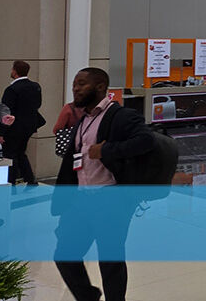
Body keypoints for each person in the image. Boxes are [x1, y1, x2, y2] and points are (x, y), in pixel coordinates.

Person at [53, 67, 154, 301]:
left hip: (111, 199)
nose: (75, 88)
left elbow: (146, 140)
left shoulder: (121, 116)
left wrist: (107, 150)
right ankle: (88, 296)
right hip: (80, 200)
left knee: (110, 259)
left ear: (100, 87)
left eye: (81, 84)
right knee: (65, 255)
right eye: (74, 84)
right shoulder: (83, 119)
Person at [1, 60, 46, 185]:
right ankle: (29, 179)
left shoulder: (12, 89)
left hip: (13, 127)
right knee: (21, 152)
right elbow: (38, 104)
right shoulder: (35, 86)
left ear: (15, 71)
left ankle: (11, 181)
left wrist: (0, 132)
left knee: (10, 155)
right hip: (29, 126)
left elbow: (6, 112)